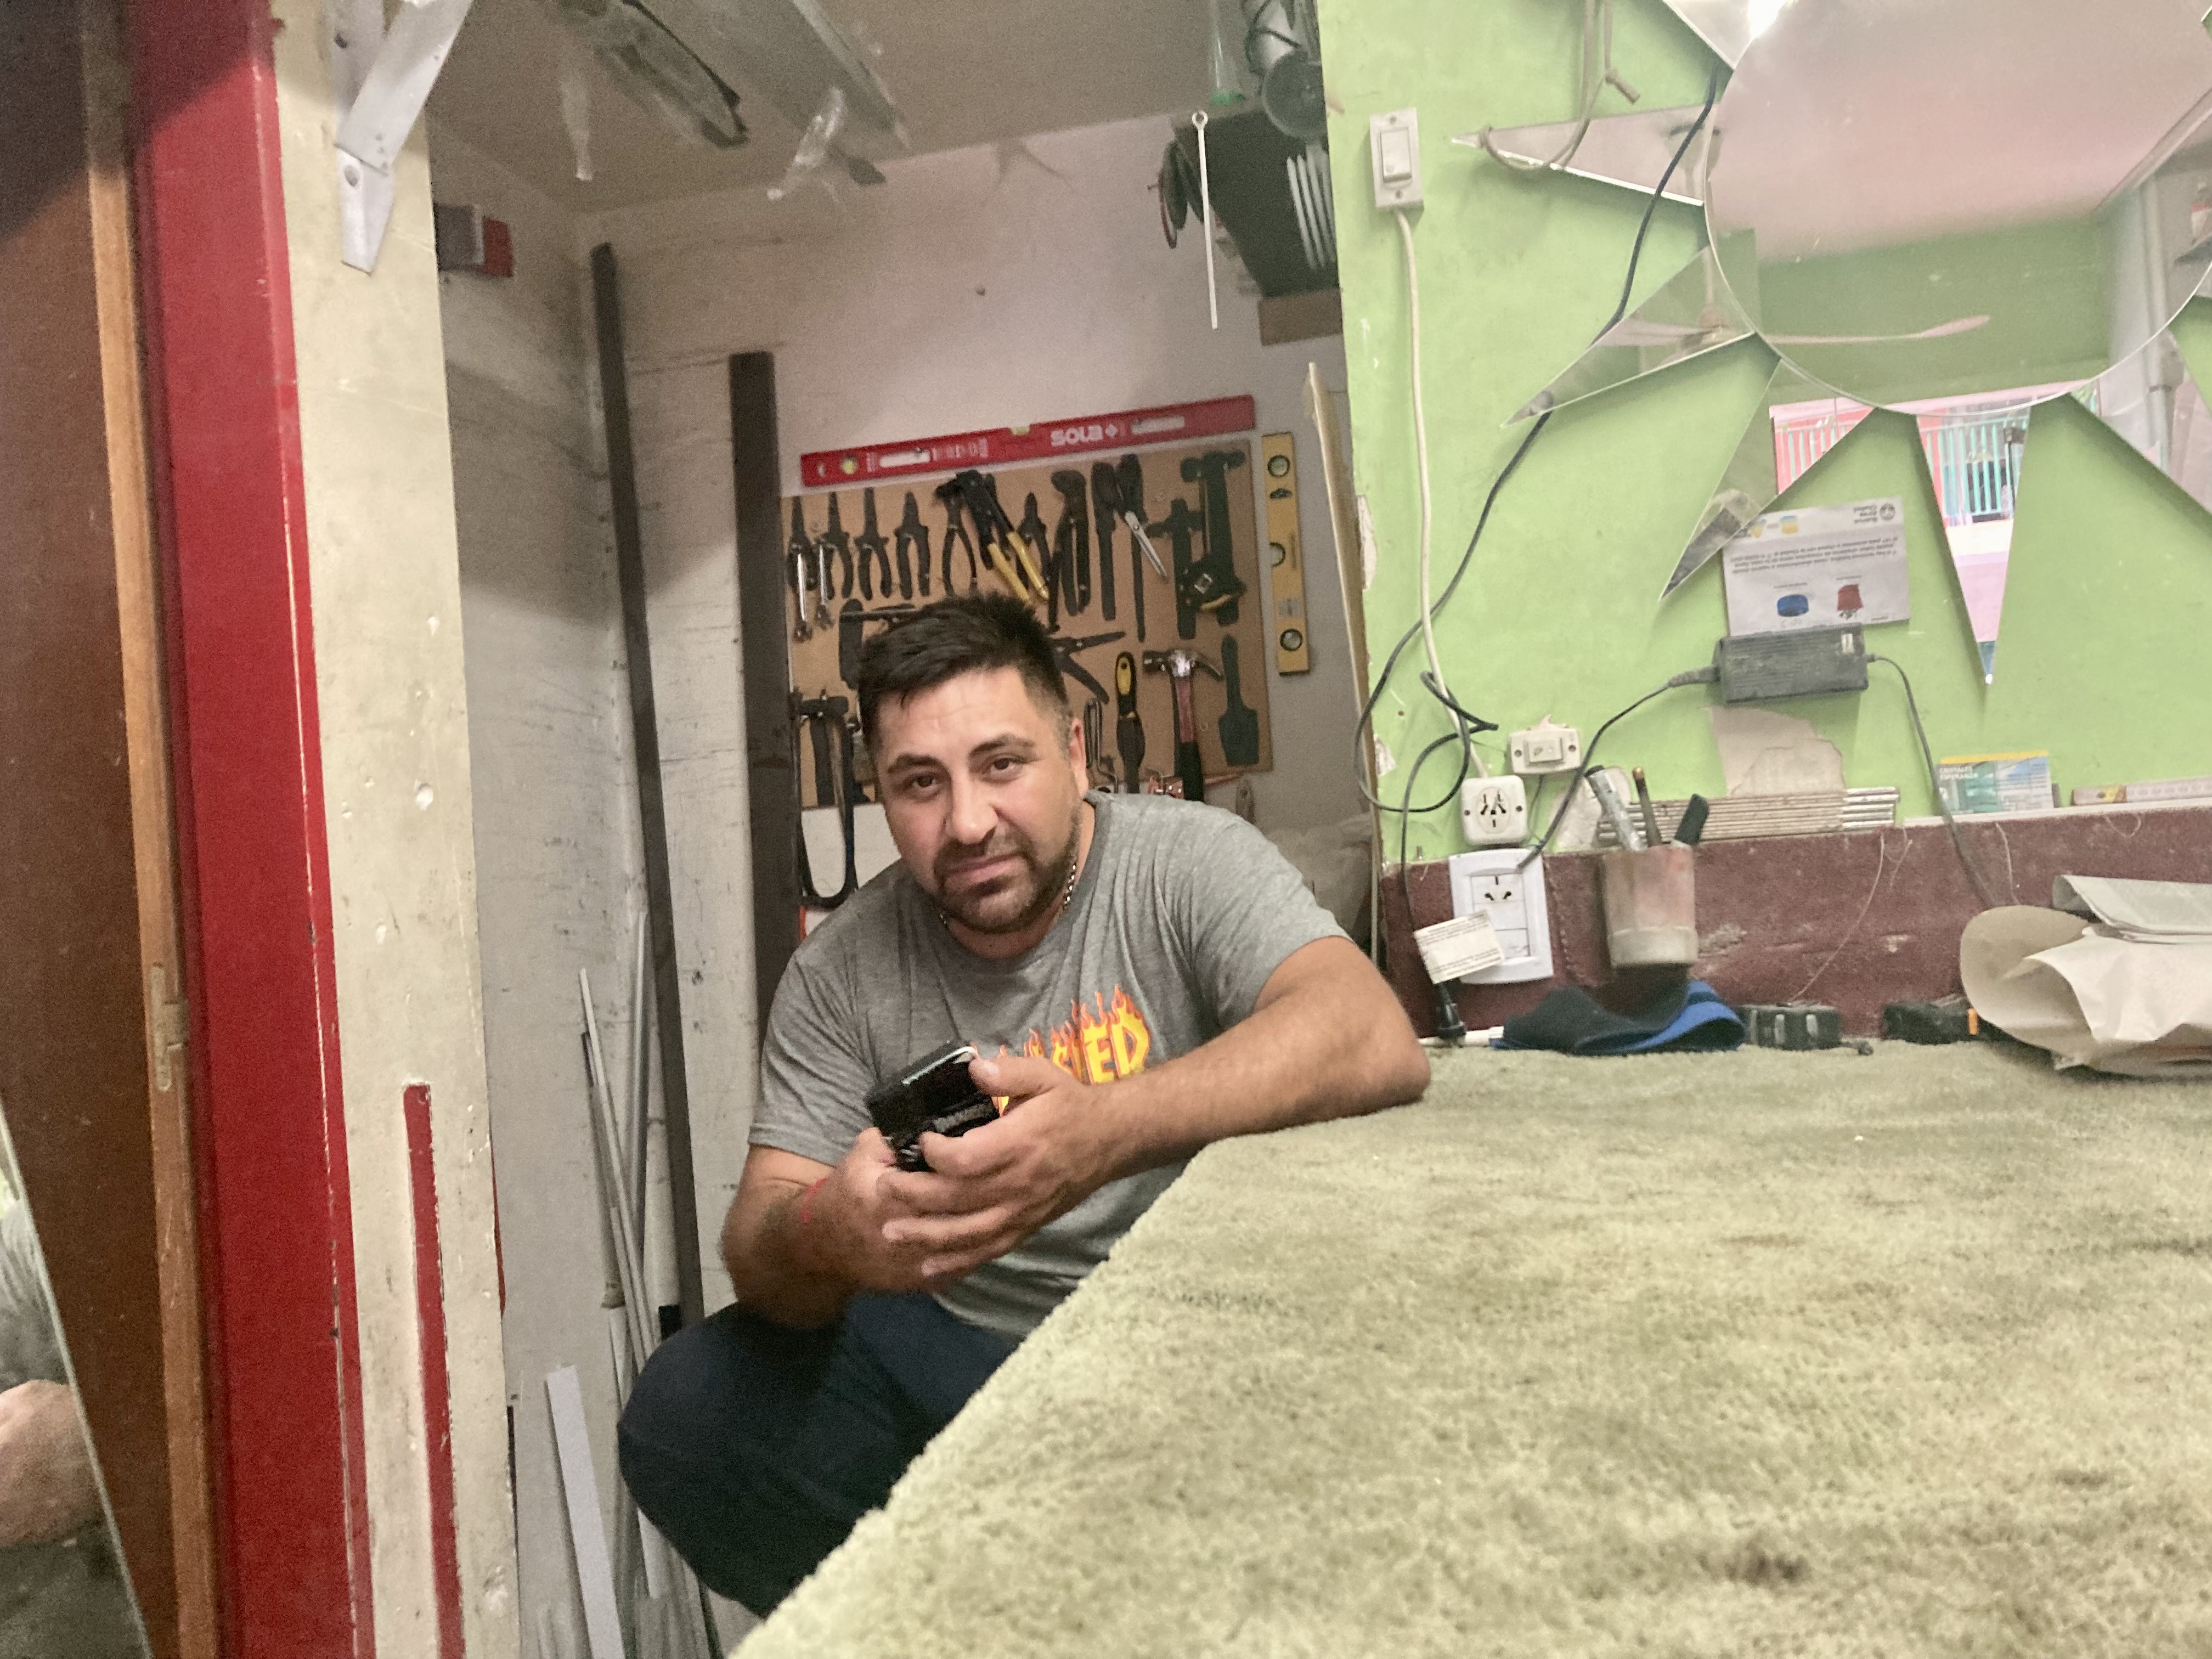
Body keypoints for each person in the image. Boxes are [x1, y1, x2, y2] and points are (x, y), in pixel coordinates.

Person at [620, 593, 1427, 1614]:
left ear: (1076, 752)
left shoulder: (1185, 864)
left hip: (1197, 1336)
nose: (966, 822)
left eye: (1003, 765)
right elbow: (762, 1235)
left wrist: (1104, 1132)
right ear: (883, 793)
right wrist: (836, 1231)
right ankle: (953, 1629)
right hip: (961, 1353)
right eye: (921, 784)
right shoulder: (838, 971)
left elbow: (1371, 1033)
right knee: (686, 1410)